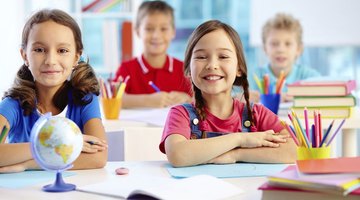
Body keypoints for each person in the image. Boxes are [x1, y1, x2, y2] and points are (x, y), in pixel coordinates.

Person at [159, 20, 297, 167]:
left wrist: (236, 154)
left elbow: (295, 149)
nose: (212, 65)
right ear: (188, 69)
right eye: (201, 57)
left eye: (223, 57)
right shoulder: (181, 114)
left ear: (239, 68)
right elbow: (178, 155)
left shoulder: (256, 114)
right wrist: (240, 139)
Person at [0, 9, 108, 173]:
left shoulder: (84, 99)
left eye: (62, 51)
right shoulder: (14, 104)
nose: (50, 61)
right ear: (25, 56)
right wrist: (55, 145)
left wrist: (27, 164)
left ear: (76, 57)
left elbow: (98, 157)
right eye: (39, 50)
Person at [113, 0, 192, 108]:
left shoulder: (185, 70)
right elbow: (113, 98)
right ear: (137, 31)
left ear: (173, 32)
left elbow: (204, 101)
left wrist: (186, 98)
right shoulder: (126, 69)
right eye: (149, 29)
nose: (156, 36)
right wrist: (148, 100)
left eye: (163, 29)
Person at [250, 13, 320, 102]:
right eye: (274, 44)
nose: (280, 50)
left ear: (299, 48)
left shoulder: (311, 78)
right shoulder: (251, 78)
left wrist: (297, 98)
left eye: (288, 44)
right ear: (264, 48)